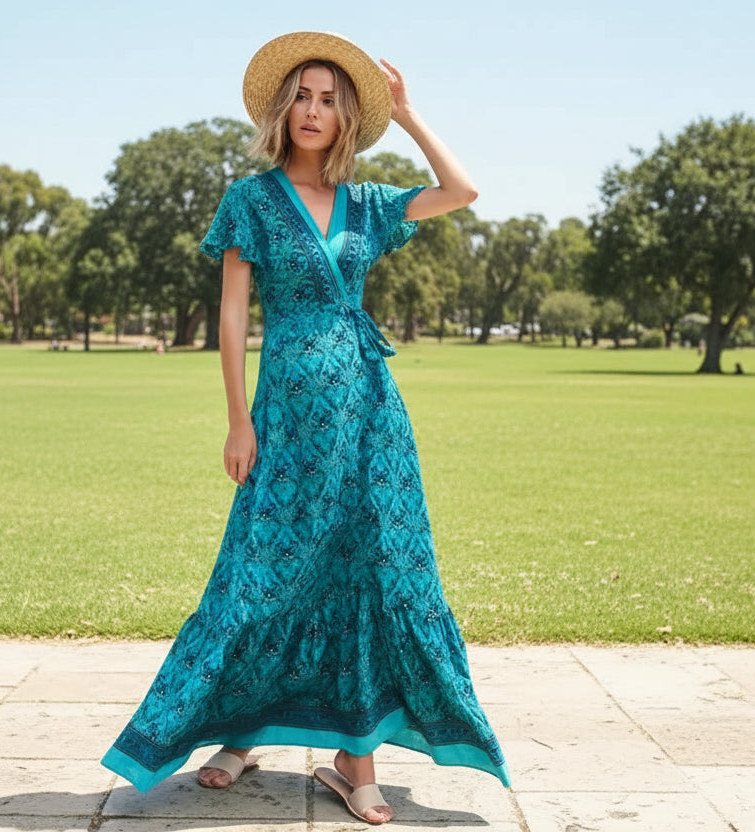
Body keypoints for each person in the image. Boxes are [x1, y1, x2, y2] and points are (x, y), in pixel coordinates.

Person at [101, 31, 510, 825]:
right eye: (302, 96)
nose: (313, 110)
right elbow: (230, 320)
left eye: (328, 99)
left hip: (366, 418)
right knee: (261, 576)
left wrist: (412, 114)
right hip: (284, 416)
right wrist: (236, 421)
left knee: (369, 573)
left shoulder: (369, 203)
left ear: (348, 115)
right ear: (281, 109)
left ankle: (353, 760)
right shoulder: (249, 200)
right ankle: (240, 728)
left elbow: (461, 189)